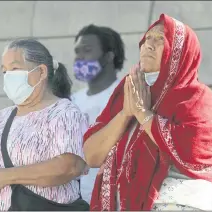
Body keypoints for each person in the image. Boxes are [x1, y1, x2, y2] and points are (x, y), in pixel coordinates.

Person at [83, 14, 212, 211]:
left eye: (160, 39)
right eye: (148, 38)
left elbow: (192, 153)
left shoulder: (196, 96)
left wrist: (143, 113)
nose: (149, 45)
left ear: (179, 52)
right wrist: (126, 113)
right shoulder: (128, 89)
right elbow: (91, 155)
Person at [0, 39, 89, 210]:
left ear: (41, 71)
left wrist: (6, 176)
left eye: (15, 68)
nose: (8, 76)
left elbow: (70, 166)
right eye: (4, 71)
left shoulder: (65, 112)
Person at [71, 24, 125, 203]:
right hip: (76, 200)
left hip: (113, 199)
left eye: (87, 50)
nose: (79, 57)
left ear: (109, 56)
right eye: (77, 51)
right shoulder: (71, 101)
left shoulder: (126, 96)